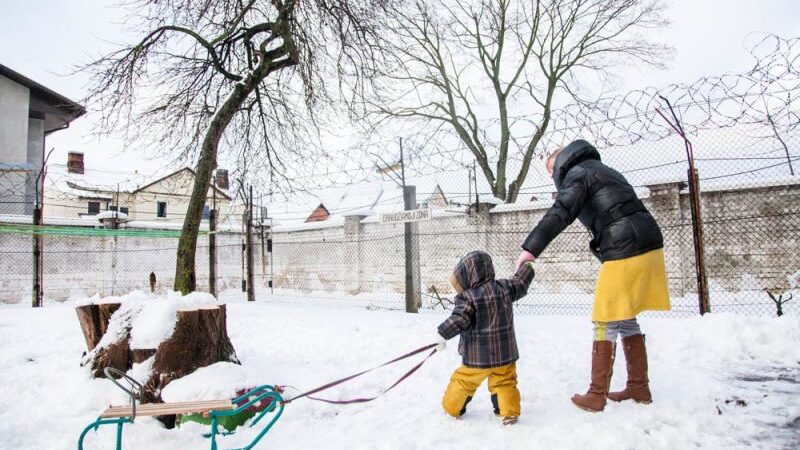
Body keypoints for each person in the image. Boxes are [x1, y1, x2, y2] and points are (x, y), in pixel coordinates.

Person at [515, 139, 670, 412]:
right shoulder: (604, 169)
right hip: (647, 241)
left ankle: (597, 394)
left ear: (562, 162)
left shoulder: (578, 173)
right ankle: (639, 386)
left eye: (552, 169)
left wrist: (531, 248)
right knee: (625, 315)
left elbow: (560, 212)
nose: (553, 176)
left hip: (625, 247)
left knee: (604, 318)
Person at [433, 250, 535, 425]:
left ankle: (451, 408)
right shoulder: (504, 287)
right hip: (505, 354)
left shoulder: (468, 297)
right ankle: (509, 412)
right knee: (505, 381)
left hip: (477, 357)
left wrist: (442, 334)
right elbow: (521, 282)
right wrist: (528, 266)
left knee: (463, 381)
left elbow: (459, 319)